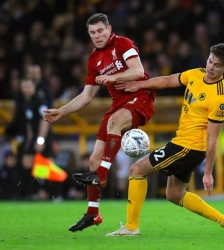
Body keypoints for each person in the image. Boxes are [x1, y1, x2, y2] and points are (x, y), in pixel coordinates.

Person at [106, 43, 224, 236]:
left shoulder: (219, 97)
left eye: (217, 65)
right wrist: (139, 84)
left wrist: (208, 173)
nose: (211, 67)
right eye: (210, 61)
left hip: (189, 147)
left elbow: (212, 139)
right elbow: (169, 81)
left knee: (136, 169)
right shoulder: (197, 74)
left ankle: (131, 227)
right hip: (183, 144)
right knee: (174, 195)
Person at [43, 13, 156, 232]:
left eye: (100, 31)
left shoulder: (122, 43)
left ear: (108, 29)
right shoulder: (94, 59)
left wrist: (113, 78)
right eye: (92, 32)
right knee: (94, 160)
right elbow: (86, 97)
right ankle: (93, 213)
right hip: (118, 104)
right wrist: (62, 111)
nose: (97, 35)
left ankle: (101, 176)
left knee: (113, 123)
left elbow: (138, 71)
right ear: (89, 34)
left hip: (140, 95)